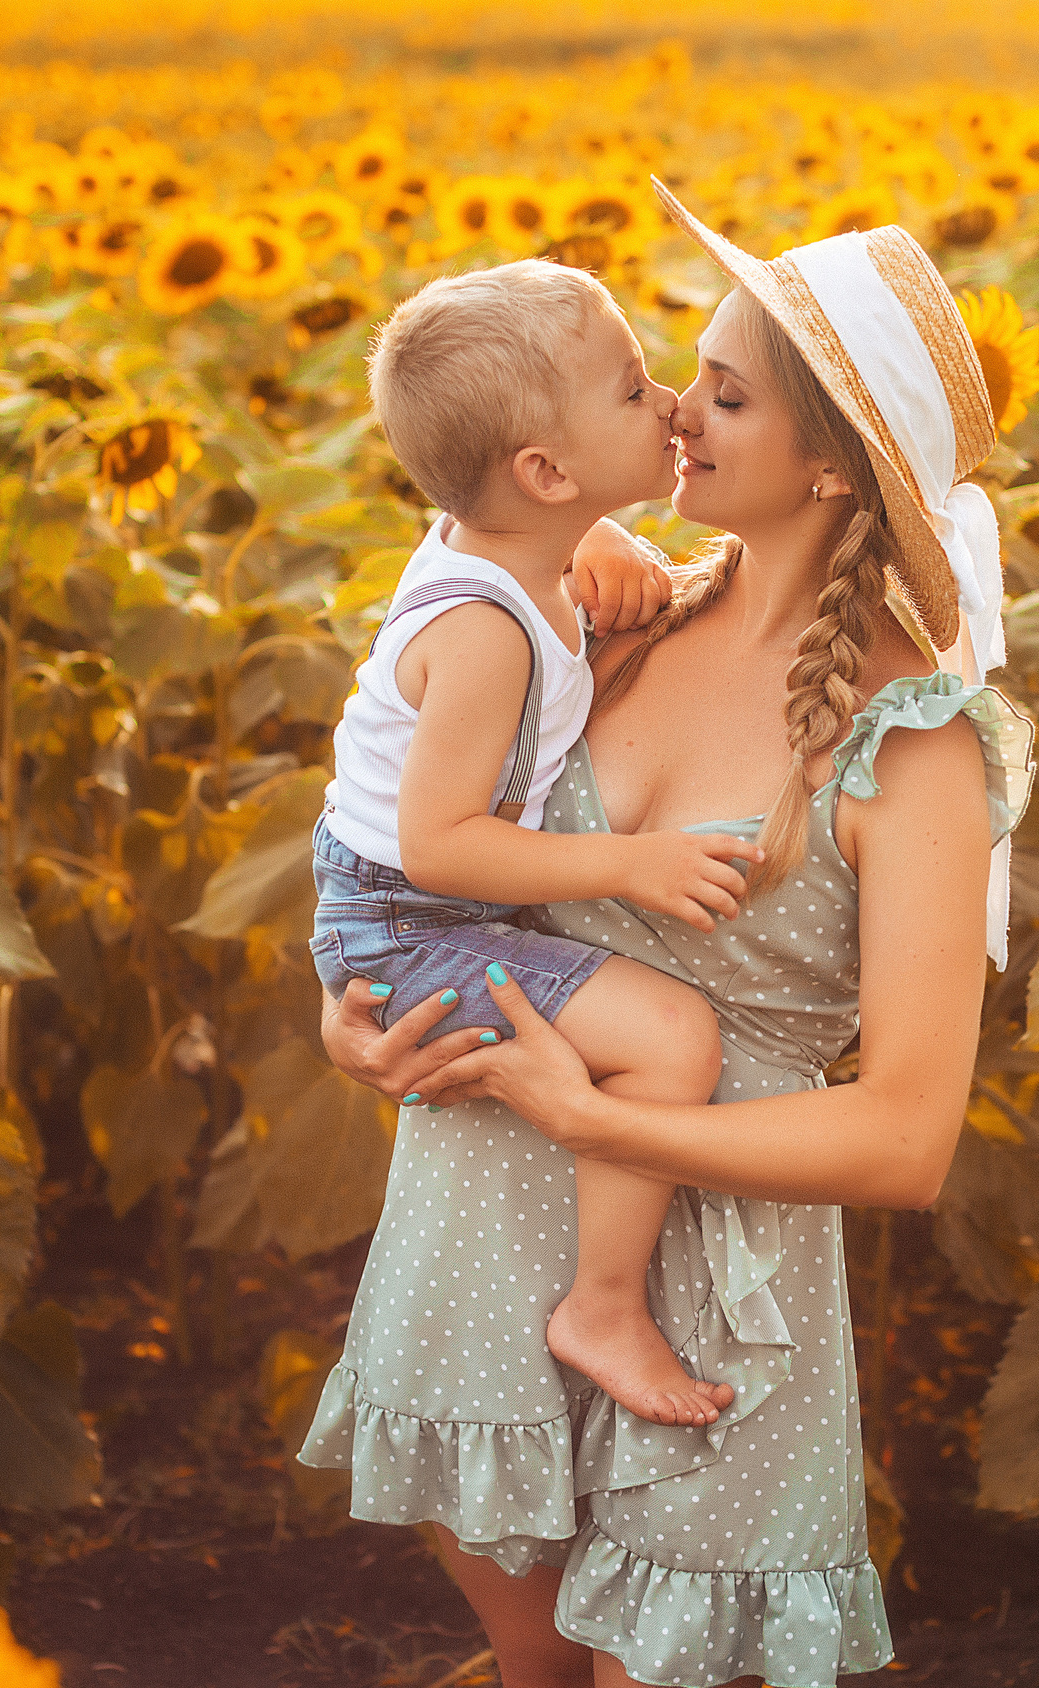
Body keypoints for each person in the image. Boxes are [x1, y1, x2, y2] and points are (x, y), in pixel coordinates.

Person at [302, 183, 1034, 1688]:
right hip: (485, 1219)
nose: (682, 412)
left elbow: (907, 1143)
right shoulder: (602, 616)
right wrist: (360, 1022)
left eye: (728, 392)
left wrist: (585, 1108)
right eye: (683, 374)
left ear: (834, 467)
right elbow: (434, 858)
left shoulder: (919, 750)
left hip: (709, 1297)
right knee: (532, 1677)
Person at [313, 257, 757, 1429]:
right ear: (545, 472)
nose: (668, 403)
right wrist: (632, 866)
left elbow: (492, 504)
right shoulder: (484, 638)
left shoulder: (517, 541)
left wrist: (593, 533)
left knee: (654, 1030)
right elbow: (444, 846)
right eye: (631, 390)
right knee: (672, 1038)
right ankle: (600, 1307)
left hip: (407, 903)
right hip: (413, 915)